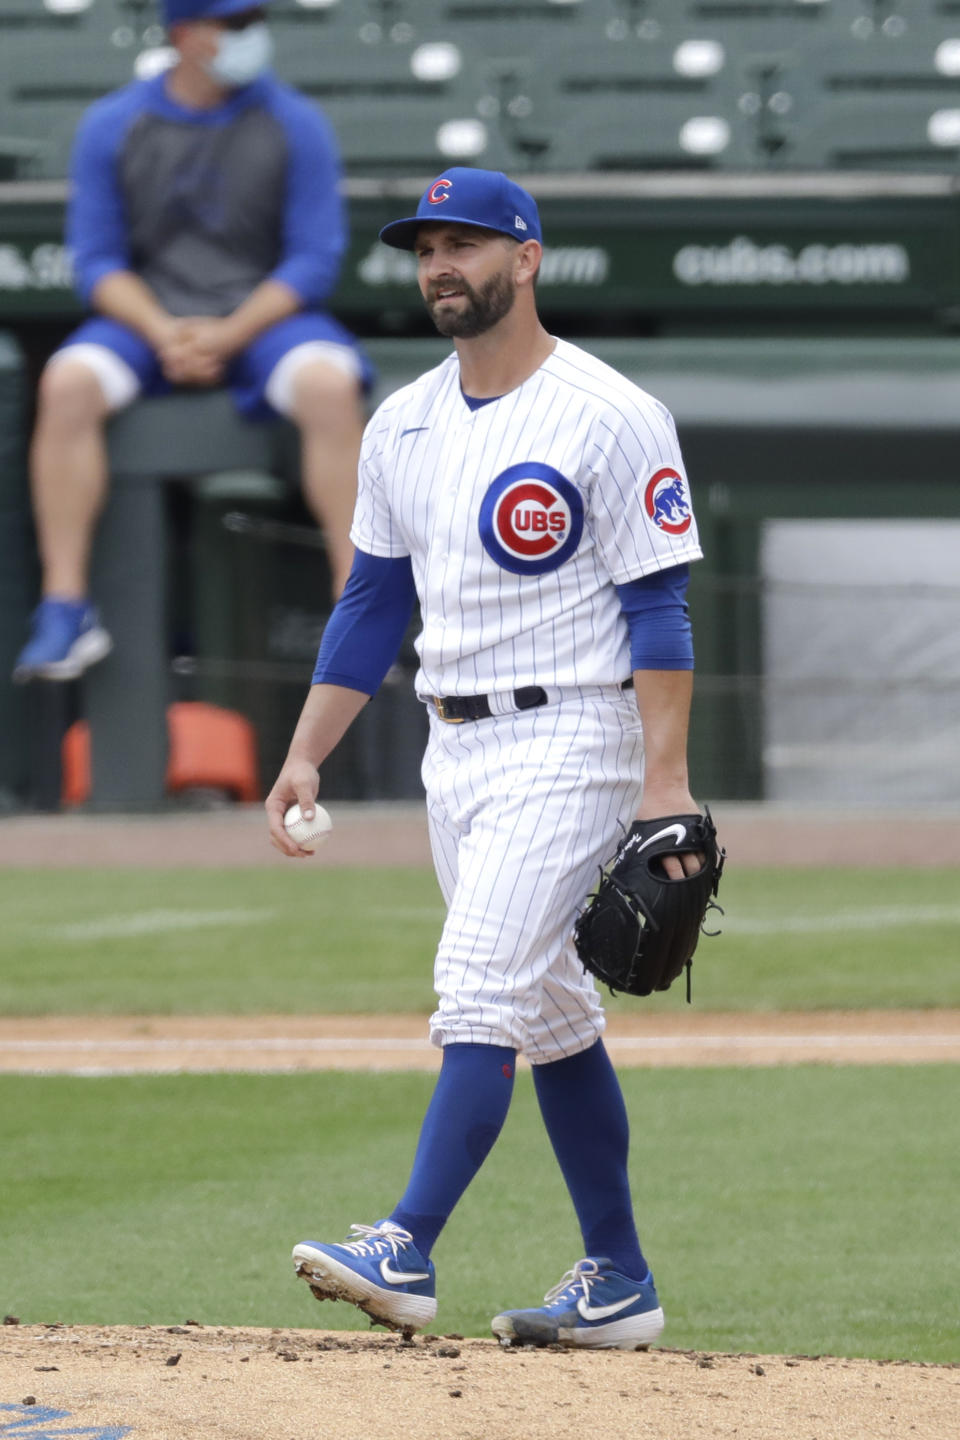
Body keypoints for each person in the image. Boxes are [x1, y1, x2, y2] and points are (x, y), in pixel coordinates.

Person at [265, 168, 706, 1349]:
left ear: (529, 257)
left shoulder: (609, 412)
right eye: (426, 249)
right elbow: (370, 605)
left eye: (467, 242)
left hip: (576, 733)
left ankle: (404, 1245)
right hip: (451, 745)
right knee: (554, 1013)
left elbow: (660, 609)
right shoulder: (403, 421)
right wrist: (305, 754)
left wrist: (664, 783)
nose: (441, 266)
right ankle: (619, 1277)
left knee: (480, 987)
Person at [13, 0, 370, 684]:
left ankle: (353, 603)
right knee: (67, 382)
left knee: (329, 385)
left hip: (264, 322)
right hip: (151, 321)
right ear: (184, 34)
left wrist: (230, 332)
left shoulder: (296, 121)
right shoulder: (113, 123)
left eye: (252, 21)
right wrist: (164, 332)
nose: (248, 36)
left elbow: (313, 260)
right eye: (230, 24)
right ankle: (66, 608)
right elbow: (96, 261)